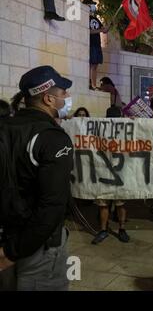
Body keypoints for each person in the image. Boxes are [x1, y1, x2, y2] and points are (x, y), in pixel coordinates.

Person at [0, 66, 74, 290]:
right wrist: (13, 252)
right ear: (49, 99)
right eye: (63, 93)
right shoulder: (52, 138)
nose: (67, 97)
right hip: (37, 250)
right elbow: (52, 206)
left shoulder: (5, 126)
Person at [91, 108, 130, 245]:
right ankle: (105, 230)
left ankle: (120, 228)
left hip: (119, 172)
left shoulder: (124, 128)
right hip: (104, 172)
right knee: (104, 204)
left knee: (119, 204)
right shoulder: (100, 129)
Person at [84, 0, 110, 90]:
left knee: (95, 65)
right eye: (92, 4)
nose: (93, 6)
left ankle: (94, 85)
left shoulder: (95, 19)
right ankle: (88, 83)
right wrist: (100, 30)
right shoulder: (83, 17)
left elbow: (104, 31)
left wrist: (107, 27)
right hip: (90, 44)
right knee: (90, 64)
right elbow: (87, 31)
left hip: (97, 44)